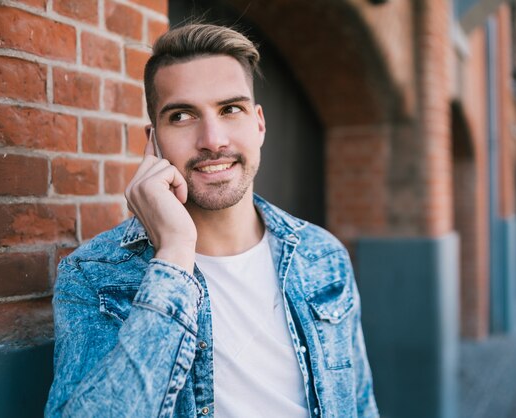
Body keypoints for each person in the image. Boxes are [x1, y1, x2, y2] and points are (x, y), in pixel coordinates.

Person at [45, 23, 378, 418]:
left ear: (259, 124)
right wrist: (174, 254)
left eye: (230, 109)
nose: (213, 139)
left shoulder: (323, 256)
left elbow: (359, 405)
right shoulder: (92, 276)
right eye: (182, 115)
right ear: (153, 142)